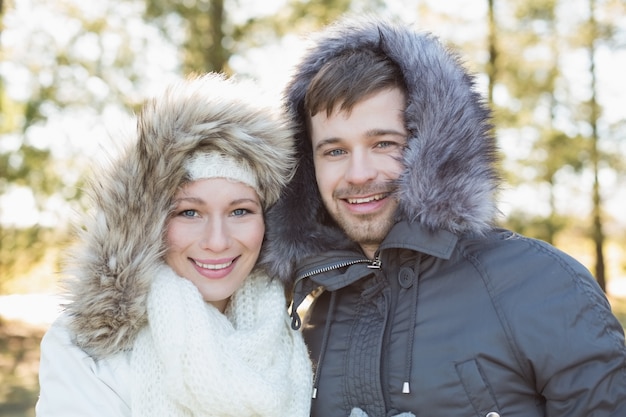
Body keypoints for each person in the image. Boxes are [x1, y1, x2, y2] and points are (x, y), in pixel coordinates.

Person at [260, 15, 626, 417]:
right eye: (334, 151)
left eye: (384, 143)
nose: (359, 174)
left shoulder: (544, 286)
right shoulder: (294, 308)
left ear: (435, 147)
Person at [36, 74, 313, 417]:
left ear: (269, 220)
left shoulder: (293, 332)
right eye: (189, 212)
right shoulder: (87, 351)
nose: (217, 241)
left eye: (240, 210)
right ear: (148, 223)